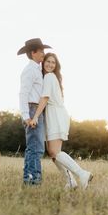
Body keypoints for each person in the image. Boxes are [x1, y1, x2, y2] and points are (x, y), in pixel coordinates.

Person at [30, 52, 93, 189]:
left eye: (53, 62)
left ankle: (82, 174)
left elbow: (45, 98)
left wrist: (35, 116)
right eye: (48, 61)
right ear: (43, 62)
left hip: (56, 116)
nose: (50, 64)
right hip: (53, 116)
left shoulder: (49, 77)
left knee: (54, 151)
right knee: (53, 153)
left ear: (56, 65)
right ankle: (71, 182)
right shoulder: (49, 77)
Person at [17, 38, 52, 185]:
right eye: (41, 51)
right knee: (34, 148)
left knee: (37, 149)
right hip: (31, 110)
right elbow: (23, 94)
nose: (44, 54)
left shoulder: (37, 69)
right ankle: (31, 180)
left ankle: (34, 180)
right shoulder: (30, 70)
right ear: (33, 53)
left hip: (36, 110)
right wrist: (26, 116)